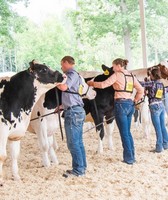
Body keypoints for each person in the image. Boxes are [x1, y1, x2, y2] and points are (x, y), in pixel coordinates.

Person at [87, 58, 144, 165]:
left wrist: (92, 83)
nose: (112, 68)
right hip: (130, 104)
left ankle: (129, 159)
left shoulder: (117, 75)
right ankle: (132, 156)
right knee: (128, 132)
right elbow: (141, 90)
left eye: (113, 66)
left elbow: (103, 84)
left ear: (118, 66)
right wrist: (135, 100)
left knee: (124, 133)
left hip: (121, 104)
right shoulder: (131, 76)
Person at [56, 56, 86, 177]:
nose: (61, 67)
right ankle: (81, 167)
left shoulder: (71, 74)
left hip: (73, 112)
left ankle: (78, 170)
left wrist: (55, 81)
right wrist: (62, 106)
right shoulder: (76, 75)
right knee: (78, 142)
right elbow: (72, 94)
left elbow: (64, 87)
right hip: (75, 110)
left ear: (66, 63)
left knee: (73, 143)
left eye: (62, 64)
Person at [140, 68, 168, 153]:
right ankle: (166, 144)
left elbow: (141, 83)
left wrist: (134, 78)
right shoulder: (161, 83)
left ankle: (159, 147)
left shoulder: (152, 83)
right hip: (161, 105)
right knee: (162, 126)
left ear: (152, 75)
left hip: (153, 105)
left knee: (157, 128)